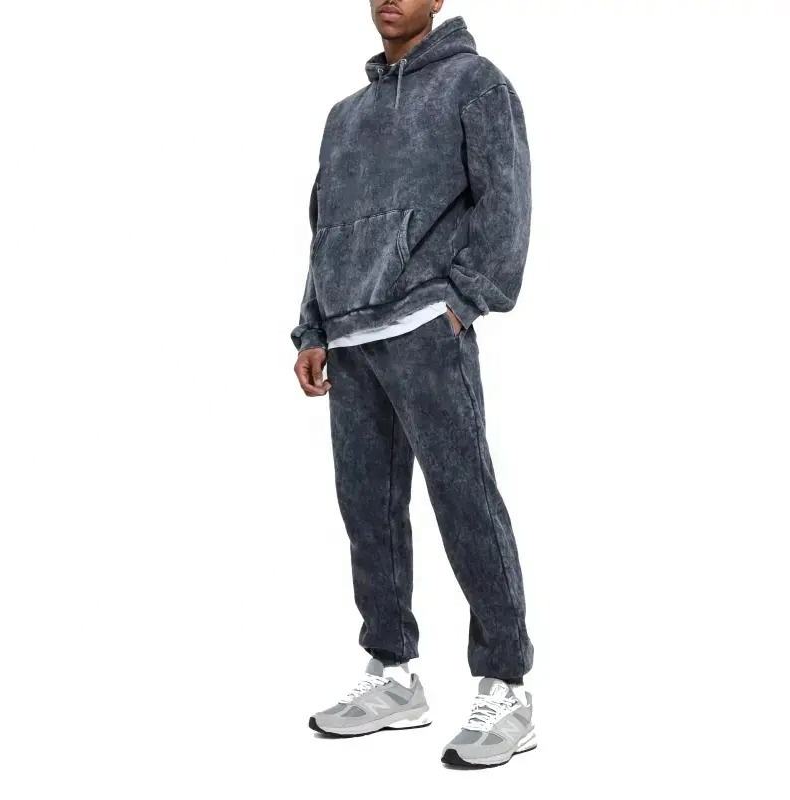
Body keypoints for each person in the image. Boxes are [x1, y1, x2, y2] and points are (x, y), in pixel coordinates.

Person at [291, 2, 535, 768]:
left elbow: (506, 199)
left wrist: (465, 299)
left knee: (465, 500)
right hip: (350, 336)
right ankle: (393, 673)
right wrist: (312, 327)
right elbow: (324, 228)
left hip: (427, 326)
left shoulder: (475, 83)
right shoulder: (344, 114)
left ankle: (507, 686)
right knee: (367, 511)